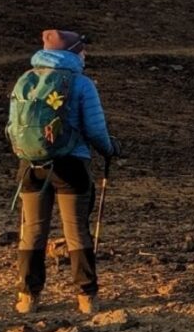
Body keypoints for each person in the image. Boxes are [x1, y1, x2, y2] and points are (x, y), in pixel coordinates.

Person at [8, 30, 121, 315]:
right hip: (72, 166)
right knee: (76, 232)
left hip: (32, 167)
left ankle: (28, 298)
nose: (85, 55)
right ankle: (86, 297)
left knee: (32, 231)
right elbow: (95, 129)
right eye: (82, 50)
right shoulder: (82, 84)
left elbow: (11, 127)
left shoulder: (26, 80)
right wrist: (109, 150)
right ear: (72, 52)